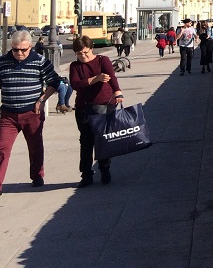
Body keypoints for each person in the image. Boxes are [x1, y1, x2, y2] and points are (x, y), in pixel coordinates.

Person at [0, 30, 61, 193]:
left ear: (31, 47)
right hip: (8, 114)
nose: (19, 53)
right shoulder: (2, 62)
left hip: (32, 113)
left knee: (35, 146)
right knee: (2, 148)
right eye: (15, 49)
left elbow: (55, 81)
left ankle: (37, 176)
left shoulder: (40, 61)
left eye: (23, 50)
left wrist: (42, 100)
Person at [68, 36, 123, 187]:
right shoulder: (75, 66)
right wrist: (95, 79)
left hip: (105, 104)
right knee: (86, 141)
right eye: (79, 54)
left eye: (85, 52)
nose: (83, 56)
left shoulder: (102, 60)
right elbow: (75, 84)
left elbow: (112, 77)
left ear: (91, 49)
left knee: (103, 139)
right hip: (84, 107)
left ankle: (104, 169)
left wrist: (117, 91)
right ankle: (86, 174)